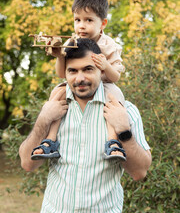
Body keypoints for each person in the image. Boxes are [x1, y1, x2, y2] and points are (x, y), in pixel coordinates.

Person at [19, 38, 152, 213]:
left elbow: (139, 172)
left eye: (88, 69)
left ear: (101, 70)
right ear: (64, 73)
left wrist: (124, 130)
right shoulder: (52, 108)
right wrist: (43, 119)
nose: (80, 78)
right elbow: (27, 164)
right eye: (72, 71)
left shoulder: (125, 111)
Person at [31, 0, 127, 161]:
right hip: (78, 85)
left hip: (104, 85)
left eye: (88, 20)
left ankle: (112, 142)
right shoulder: (71, 42)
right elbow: (62, 74)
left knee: (116, 98)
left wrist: (106, 66)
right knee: (56, 93)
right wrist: (60, 56)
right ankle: (50, 140)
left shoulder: (109, 45)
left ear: (103, 23)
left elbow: (116, 77)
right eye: (77, 20)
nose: (81, 25)